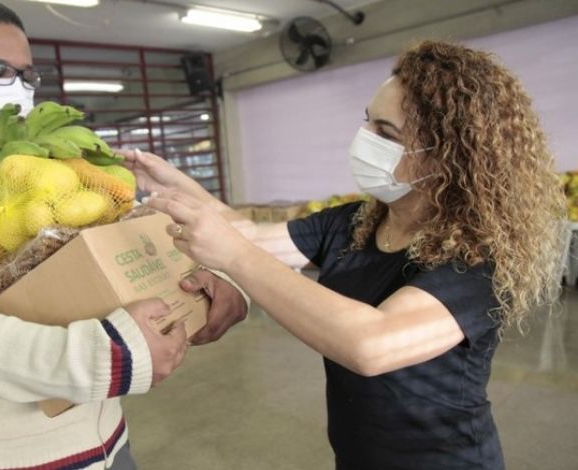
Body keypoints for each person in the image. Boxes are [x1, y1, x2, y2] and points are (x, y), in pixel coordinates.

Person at [123, 40, 566, 469]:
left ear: (446, 158)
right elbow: (248, 234)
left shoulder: (475, 254)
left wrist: (234, 257)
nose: (363, 138)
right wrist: (173, 183)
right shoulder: (357, 221)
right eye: (367, 120)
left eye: (385, 132)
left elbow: (371, 343)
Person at [0, 1, 247, 469]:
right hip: (6, 460)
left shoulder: (50, 169)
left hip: (110, 441)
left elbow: (119, 252)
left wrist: (212, 280)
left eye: (26, 75)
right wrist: (102, 357)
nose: (14, 88)